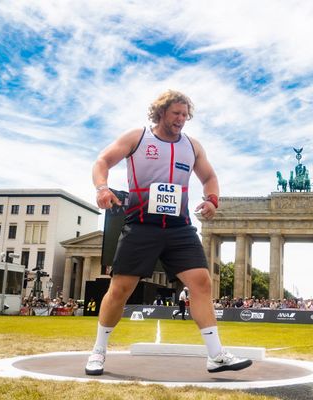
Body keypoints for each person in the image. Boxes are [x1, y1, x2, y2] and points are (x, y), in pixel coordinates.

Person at [85, 90, 252, 376]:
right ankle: (98, 351)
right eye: (176, 113)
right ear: (160, 112)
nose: (181, 120)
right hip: (140, 225)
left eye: (185, 115)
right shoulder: (137, 137)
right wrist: (102, 188)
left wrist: (212, 200)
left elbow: (209, 177)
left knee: (201, 282)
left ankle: (216, 355)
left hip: (178, 227)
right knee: (120, 290)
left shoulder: (192, 146)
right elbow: (102, 161)